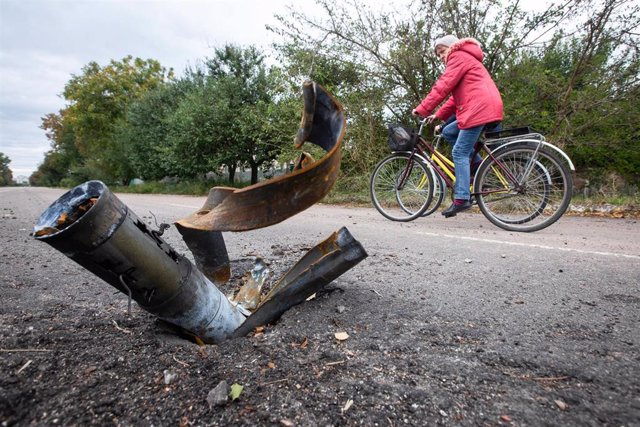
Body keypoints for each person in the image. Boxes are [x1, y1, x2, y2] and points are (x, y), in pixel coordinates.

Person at [412, 34, 503, 217]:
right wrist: (437, 115)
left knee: (459, 152)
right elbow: (454, 98)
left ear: (452, 47)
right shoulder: (466, 58)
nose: (441, 57)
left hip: (478, 108)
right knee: (448, 132)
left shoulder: (458, 56)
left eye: (442, 52)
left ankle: (462, 198)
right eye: (438, 55)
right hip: (483, 106)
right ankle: (476, 168)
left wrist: (421, 109)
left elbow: (443, 86)